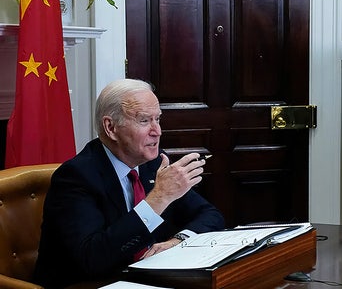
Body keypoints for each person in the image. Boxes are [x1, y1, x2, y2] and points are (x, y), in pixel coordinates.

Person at [33, 79, 225, 288]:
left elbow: (210, 215)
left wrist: (177, 240)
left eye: (158, 119)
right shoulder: (76, 177)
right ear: (111, 127)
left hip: (148, 279)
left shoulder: (153, 163)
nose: (157, 131)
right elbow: (92, 259)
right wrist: (158, 199)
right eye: (144, 121)